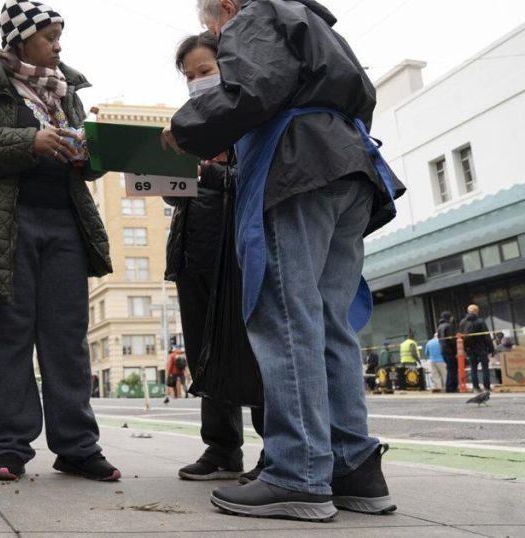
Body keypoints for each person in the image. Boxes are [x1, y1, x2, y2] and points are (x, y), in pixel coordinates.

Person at [170, 0, 405, 520]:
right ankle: (353, 467)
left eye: (213, 29)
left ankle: (297, 473)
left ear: (226, 7)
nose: (216, 35)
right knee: (330, 323)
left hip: (294, 168)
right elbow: (360, 97)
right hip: (348, 166)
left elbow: (251, 90)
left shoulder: (255, 17)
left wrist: (184, 128)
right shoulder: (314, 24)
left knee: (287, 320)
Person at [0, 0, 120, 482]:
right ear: (19, 40)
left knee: (67, 339)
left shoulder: (68, 93)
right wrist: (27, 142)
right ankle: (10, 448)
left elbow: (86, 164)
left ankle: (78, 446)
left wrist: (92, 149)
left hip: (64, 225)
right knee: (5, 338)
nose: (58, 45)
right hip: (3, 228)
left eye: (60, 36)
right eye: (49, 36)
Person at [162, 32, 265, 484]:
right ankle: (221, 449)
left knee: (256, 348)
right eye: (189, 77)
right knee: (205, 351)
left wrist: (209, 171)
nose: (196, 83)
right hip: (193, 249)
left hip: (239, 249)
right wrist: (166, 176)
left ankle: (276, 449)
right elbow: (178, 193)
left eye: (204, 72)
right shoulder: (186, 123)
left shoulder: (250, 115)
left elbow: (255, 174)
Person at [460, 304, 495, 392]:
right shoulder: (480, 321)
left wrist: (464, 349)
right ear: (476, 311)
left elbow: (461, 337)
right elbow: (486, 336)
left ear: (468, 311)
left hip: (469, 349)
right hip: (481, 348)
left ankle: (475, 387)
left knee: (473, 368)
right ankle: (487, 387)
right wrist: (492, 349)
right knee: (485, 368)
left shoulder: (462, 322)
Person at [436, 311, 459, 392]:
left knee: (449, 368)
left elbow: (439, 339)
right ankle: (452, 387)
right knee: (453, 369)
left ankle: (449, 387)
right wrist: (456, 351)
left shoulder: (439, 327)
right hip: (450, 351)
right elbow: (452, 340)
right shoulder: (449, 326)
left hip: (444, 350)